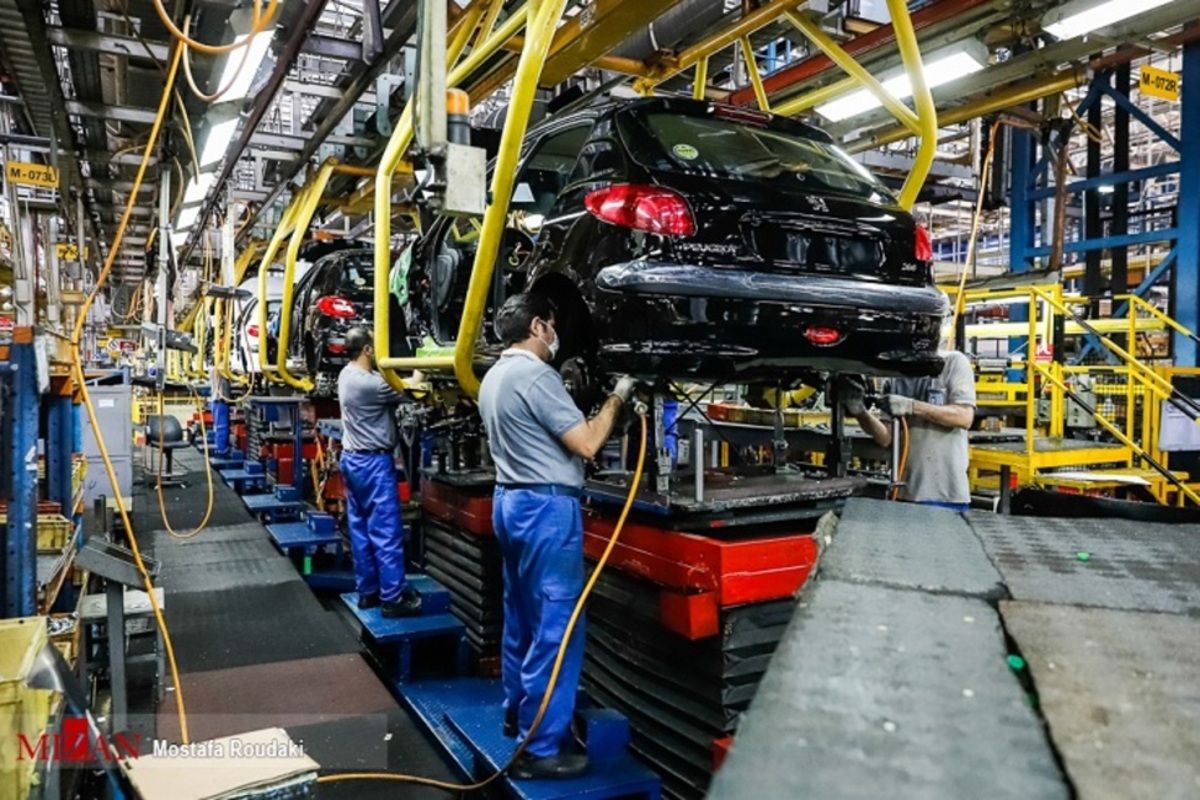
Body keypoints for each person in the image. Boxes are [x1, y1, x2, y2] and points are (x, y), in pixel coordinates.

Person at [478, 293, 636, 780]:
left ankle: (516, 712)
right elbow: (587, 443)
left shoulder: (493, 377)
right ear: (540, 327)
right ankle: (541, 746)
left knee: (522, 615)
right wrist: (618, 397)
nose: (554, 335)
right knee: (557, 627)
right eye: (551, 326)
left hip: (510, 502)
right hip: (547, 508)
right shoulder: (535, 376)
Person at [337, 326, 420, 617]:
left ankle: (368, 591)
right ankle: (393, 597)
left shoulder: (346, 375)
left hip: (351, 460)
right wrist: (422, 359)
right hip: (373, 465)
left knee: (360, 529)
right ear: (368, 350)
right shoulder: (370, 384)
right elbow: (412, 389)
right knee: (385, 531)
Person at [843, 346, 976, 512]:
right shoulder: (894, 378)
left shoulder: (953, 363)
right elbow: (887, 438)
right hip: (904, 493)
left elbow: (964, 417)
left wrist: (912, 406)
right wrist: (861, 413)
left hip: (946, 494)